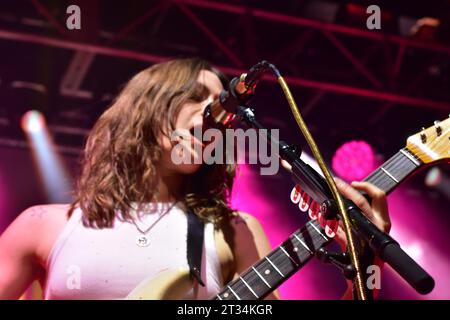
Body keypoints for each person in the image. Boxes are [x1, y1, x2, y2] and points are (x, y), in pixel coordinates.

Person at [0, 58, 391, 300]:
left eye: (221, 105)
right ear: (149, 108)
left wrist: (364, 271)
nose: (214, 112)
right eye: (198, 96)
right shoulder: (46, 225)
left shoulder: (233, 231)